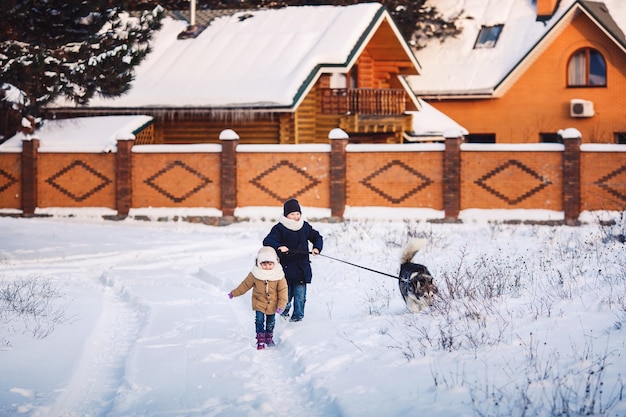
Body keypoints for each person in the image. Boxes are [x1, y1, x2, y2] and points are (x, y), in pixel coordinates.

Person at [263, 198, 323, 322]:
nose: (296, 217)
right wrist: (279, 246)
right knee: (287, 296)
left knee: (300, 297)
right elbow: (267, 241)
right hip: (286, 269)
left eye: (298, 214)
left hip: (302, 268)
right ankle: (284, 313)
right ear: (286, 215)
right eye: (292, 214)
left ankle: (297, 319)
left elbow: (317, 236)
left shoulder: (304, 226)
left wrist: (317, 247)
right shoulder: (279, 228)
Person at [228, 246, 288, 350]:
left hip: (273, 303)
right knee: (259, 320)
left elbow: (283, 291)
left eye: (270, 264)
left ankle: (269, 337)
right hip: (259, 302)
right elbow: (245, 285)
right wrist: (234, 293)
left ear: (275, 262)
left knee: (271, 321)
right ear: (259, 262)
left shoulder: (278, 275)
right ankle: (260, 338)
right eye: (264, 264)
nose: (267, 266)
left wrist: (281, 305)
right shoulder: (255, 274)